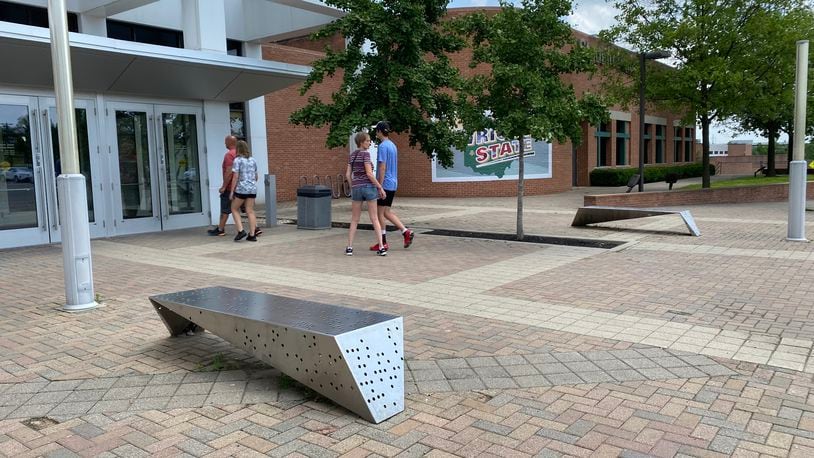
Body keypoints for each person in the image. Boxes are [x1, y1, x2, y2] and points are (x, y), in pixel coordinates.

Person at [370, 121, 414, 251]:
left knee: (379, 214)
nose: (376, 133)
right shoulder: (393, 145)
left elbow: (382, 167)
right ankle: (405, 231)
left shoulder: (383, 146)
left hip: (386, 183)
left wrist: (380, 185)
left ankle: (383, 242)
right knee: (386, 212)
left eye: (376, 131)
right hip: (393, 182)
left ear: (379, 131)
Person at [346, 132, 387, 256]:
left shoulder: (352, 155)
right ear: (361, 142)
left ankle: (349, 247)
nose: (369, 142)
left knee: (354, 219)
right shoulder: (366, 154)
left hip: (356, 188)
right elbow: (369, 174)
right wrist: (380, 187)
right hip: (368, 187)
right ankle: (381, 247)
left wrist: (353, 185)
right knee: (374, 218)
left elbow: (348, 174)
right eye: (368, 141)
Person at [207, 135, 237, 236]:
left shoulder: (229, 155)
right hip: (241, 187)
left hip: (230, 188)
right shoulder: (241, 154)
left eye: (226, 142)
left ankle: (220, 229)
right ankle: (255, 228)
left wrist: (224, 186)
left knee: (225, 209)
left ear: (230, 142)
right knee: (248, 209)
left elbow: (229, 171)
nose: (224, 143)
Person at [229, 140, 259, 241]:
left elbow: (235, 176)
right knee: (250, 211)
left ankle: (241, 231)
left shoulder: (237, 160)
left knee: (234, 208)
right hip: (252, 189)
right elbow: (256, 176)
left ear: (238, 149)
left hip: (242, 189)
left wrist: (232, 191)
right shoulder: (253, 160)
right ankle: (252, 234)